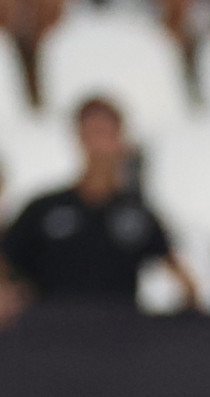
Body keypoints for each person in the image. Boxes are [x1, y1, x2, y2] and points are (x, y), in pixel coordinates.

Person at [0, 97, 198, 321]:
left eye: (107, 134)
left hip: (118, 338)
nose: (100, 146)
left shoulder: (137, 213)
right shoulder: (44, 209)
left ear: (121, 140)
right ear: (79, 138)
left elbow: (184, 282)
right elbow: (7, 260)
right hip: (51, 337)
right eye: (93, 133)